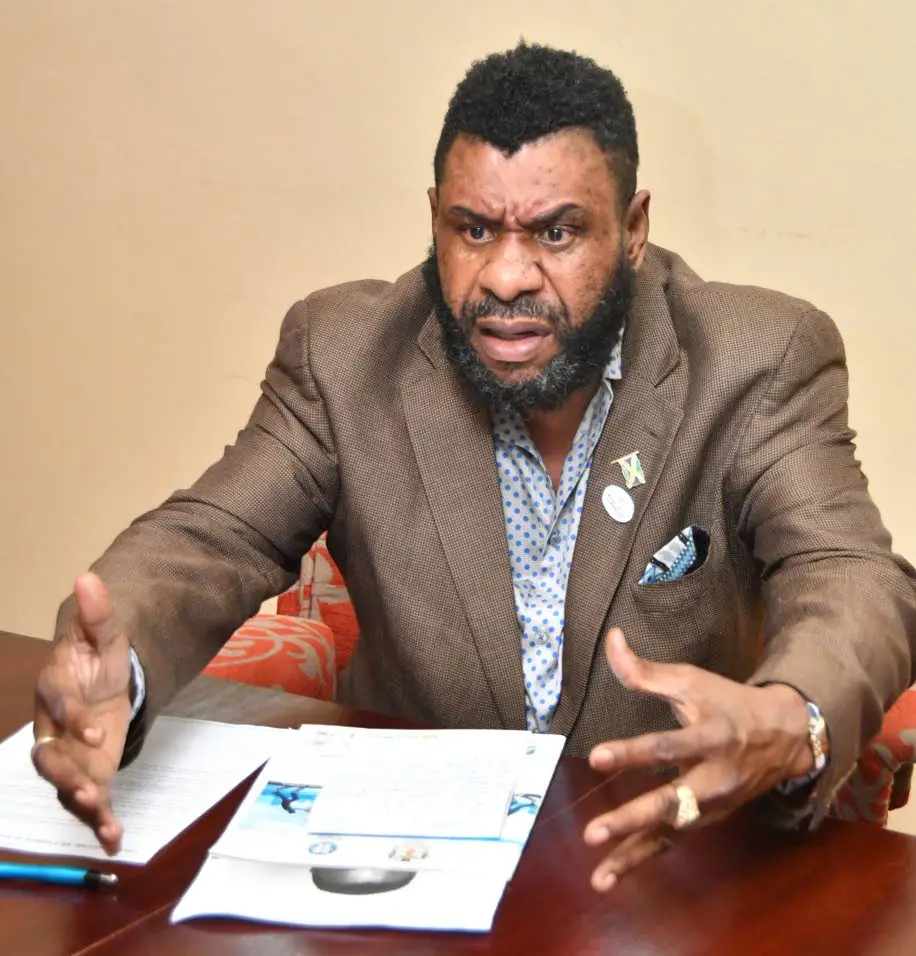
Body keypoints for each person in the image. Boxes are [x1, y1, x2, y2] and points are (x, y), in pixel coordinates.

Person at [31, 42, 915, 893]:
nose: (506, 276)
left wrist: (795, 711)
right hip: (400, 864)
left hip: (664, 872)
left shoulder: (757, 359)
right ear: (435, 221)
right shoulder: (345, 354)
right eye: (475, 229)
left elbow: (849, 572)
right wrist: (116, 662)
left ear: (634, 230)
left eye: (557, 232)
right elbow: (211, 537)